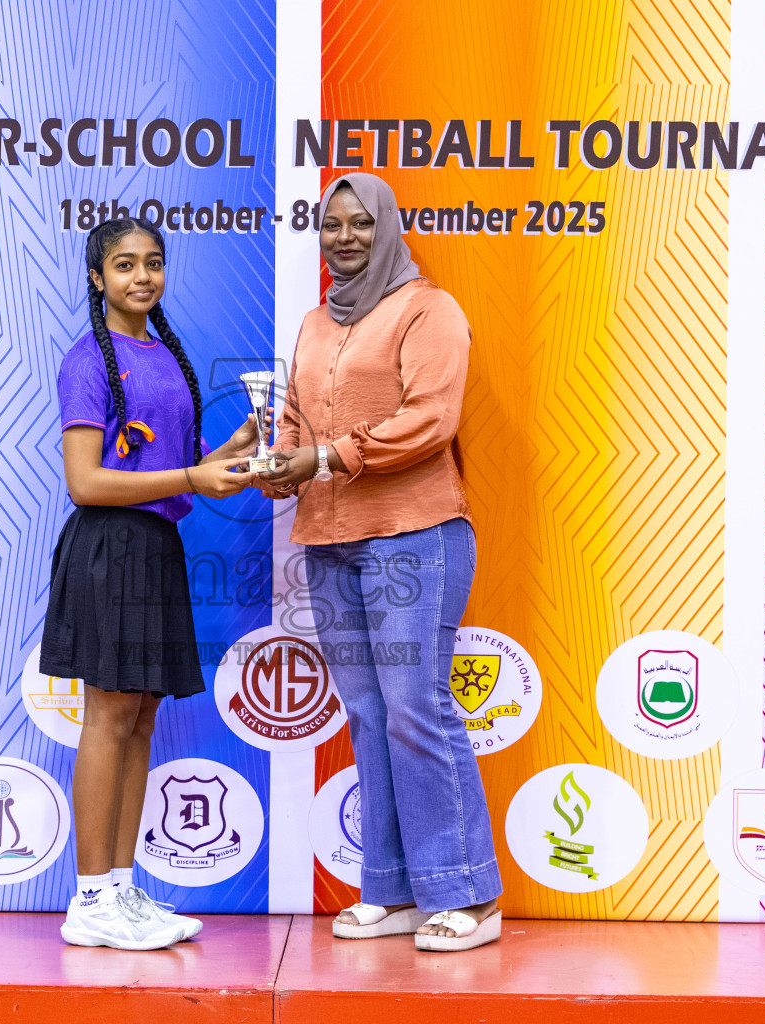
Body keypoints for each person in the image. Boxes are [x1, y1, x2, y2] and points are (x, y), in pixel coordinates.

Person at [260, 173, 503, 951]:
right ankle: (392, 891)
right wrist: (277, 462)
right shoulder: (313, 322)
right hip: (331, 540)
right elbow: (296, 421)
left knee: (414, 709)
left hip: (414, 533)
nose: (345, 237)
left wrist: (324, 459)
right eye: (332, 225)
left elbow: (429, 420)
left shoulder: (429, 309)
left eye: (362, 223)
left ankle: (468, 896)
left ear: (388, 227)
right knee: (368, 715)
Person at [43, 216, 262, 950]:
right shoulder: (88, 361)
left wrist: (224, 456)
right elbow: (86, 481)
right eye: (126, 265)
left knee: (140, 720)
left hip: (155, 545)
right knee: (107, 719)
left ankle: (122, 887)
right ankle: (88, 899)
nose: (143, 277)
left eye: (155, 263)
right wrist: (192, 476)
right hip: (110, 548)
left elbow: (172, 464)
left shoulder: (164, 355)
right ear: (98, 278)